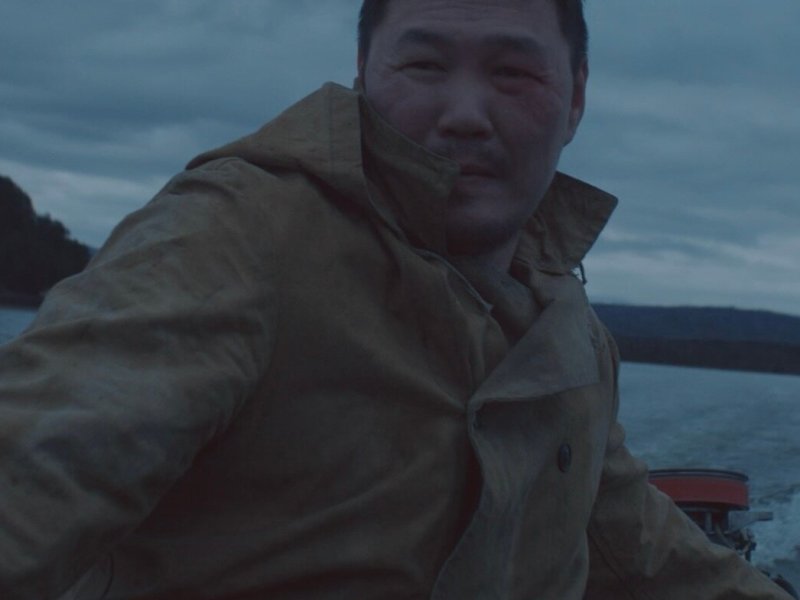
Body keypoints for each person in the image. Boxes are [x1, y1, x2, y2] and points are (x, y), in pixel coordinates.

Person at [0, 0, 793, 598]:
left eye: (513, 73)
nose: (465, 115)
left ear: (576, 97)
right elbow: (39, 465)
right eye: (423, 66)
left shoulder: (570, 333)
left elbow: (636, 544)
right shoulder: (235, 239)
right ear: (362, 75)